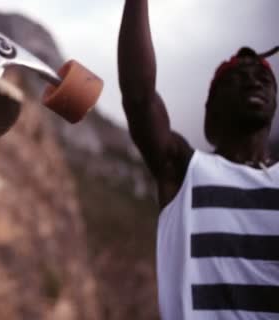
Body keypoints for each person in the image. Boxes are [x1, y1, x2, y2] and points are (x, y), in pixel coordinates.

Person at [118, 1, 278, 318]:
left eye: (264, 77)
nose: (253, 80)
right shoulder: (184, 170)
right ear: (212, 108)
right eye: (237, 76)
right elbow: (139, 97)